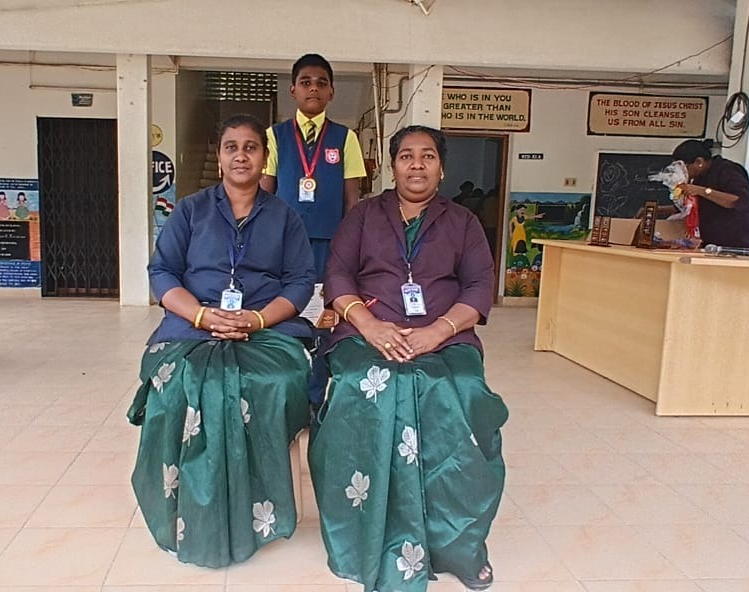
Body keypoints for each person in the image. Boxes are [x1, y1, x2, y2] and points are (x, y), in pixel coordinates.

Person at [310, 125, 509, 592]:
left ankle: (458, 543)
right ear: (392, 165)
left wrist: (437, 331)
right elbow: (337, 274)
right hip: (366, 333)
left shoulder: (463, 222)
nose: (416, 165)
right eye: (406, 156)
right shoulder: (363, 216)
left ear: (442, 168)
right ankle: (363, 535)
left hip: (447, 337)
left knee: (460, 391)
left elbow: (480, 286)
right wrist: (370, 326)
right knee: (367, 385)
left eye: (427, 156)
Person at [129, 114, 317, 567]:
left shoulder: (285, 217)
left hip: (266, 327)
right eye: (231, 147)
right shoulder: (190, 210)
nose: (241, 156)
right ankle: (187, 505)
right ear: (219, 157)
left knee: (274, 381)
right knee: (178, 384)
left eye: (251, 147)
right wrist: (199, 314)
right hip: (192, 324)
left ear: (264, 158)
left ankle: (261, 505)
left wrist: (256, 319)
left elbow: (299, 282)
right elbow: (162, 272)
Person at [261, 53, 368, 412]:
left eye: (322, 83)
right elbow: (264, 194)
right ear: (292, 90)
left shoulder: (345, 138)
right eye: (305, 82)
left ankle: (315, 399)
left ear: (331, 92)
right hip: (283, 247)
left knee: (323, 321)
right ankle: (285, 398)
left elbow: (352, 200)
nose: (313, 88)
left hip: (328, 246)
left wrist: (349, 250)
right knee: (282, 315)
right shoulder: (274, 136)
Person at [669, 139, 749, 250]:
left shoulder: (727, 170)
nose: (682, 172)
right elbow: (691, 208)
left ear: (699, 162)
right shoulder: (698, 178)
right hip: (717, 245)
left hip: (748, 243)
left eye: (684, 168)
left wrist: (702, 191)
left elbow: (738, 200)